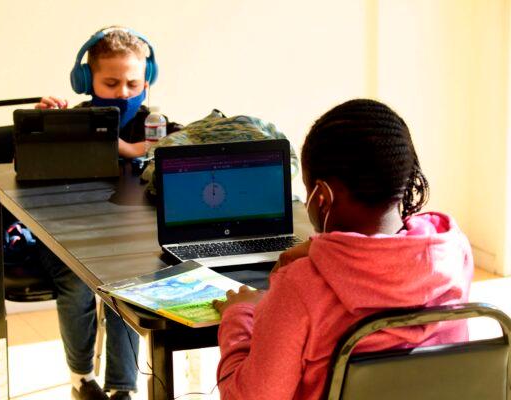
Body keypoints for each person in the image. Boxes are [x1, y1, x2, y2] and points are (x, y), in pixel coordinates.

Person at [212, 99, 473, 400]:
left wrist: (239, 314)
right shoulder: (453, 251)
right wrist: (323, 253)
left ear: (321, 196)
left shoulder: (300, 287)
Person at [35, 27, 181, 400]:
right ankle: (81, 378)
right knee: (77, 287)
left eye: (133, 83)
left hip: (130, 244)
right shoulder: (75, 121)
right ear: (87, 81)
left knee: (126, 290)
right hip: (72, 238)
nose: (123, 93)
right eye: (111, 83)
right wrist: (45, 127)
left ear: (147, 80)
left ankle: (121, 388)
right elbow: (33, 167)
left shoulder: (157, 124)